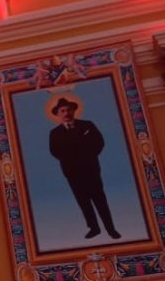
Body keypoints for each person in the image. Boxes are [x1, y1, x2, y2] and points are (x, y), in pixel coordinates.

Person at [48, 97, 121, 240]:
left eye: (69, 109)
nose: (66, 112)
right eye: (62, 110)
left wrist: (86, 155)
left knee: (100, 199)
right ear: (58, 114)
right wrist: (72, 158)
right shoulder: (54, 133)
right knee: (83, 201)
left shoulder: (87, 125)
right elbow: (55, 151)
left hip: (91, 169)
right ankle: (94, 228)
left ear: (74, 110)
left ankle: (111, 229)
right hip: (72, 172)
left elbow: (99, 142)